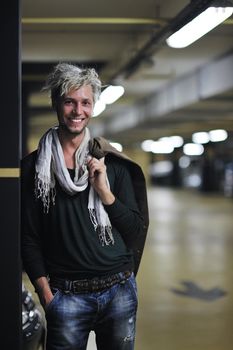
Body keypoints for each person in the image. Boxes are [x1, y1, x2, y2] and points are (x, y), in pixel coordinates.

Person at [21, 62, 149, 350]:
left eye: (85, 103)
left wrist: (105, 192)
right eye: (69, 102)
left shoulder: (112, 164)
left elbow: (134, 230)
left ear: (93, 106)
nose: (78, 111)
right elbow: (28, 237)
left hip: (119, 291)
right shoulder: (32, 169)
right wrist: (45, 293)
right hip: (66, 296)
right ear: (56, 102)